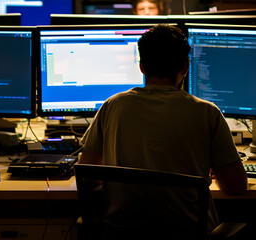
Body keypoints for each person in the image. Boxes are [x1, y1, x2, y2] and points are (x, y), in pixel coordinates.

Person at [78, 24, 247, 238]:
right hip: (188, 234)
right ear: (185, 67)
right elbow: (235, 187)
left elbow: (88, 177)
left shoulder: (112, 105)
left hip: (121, 233)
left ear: (141, 66)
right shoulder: (207, 112)